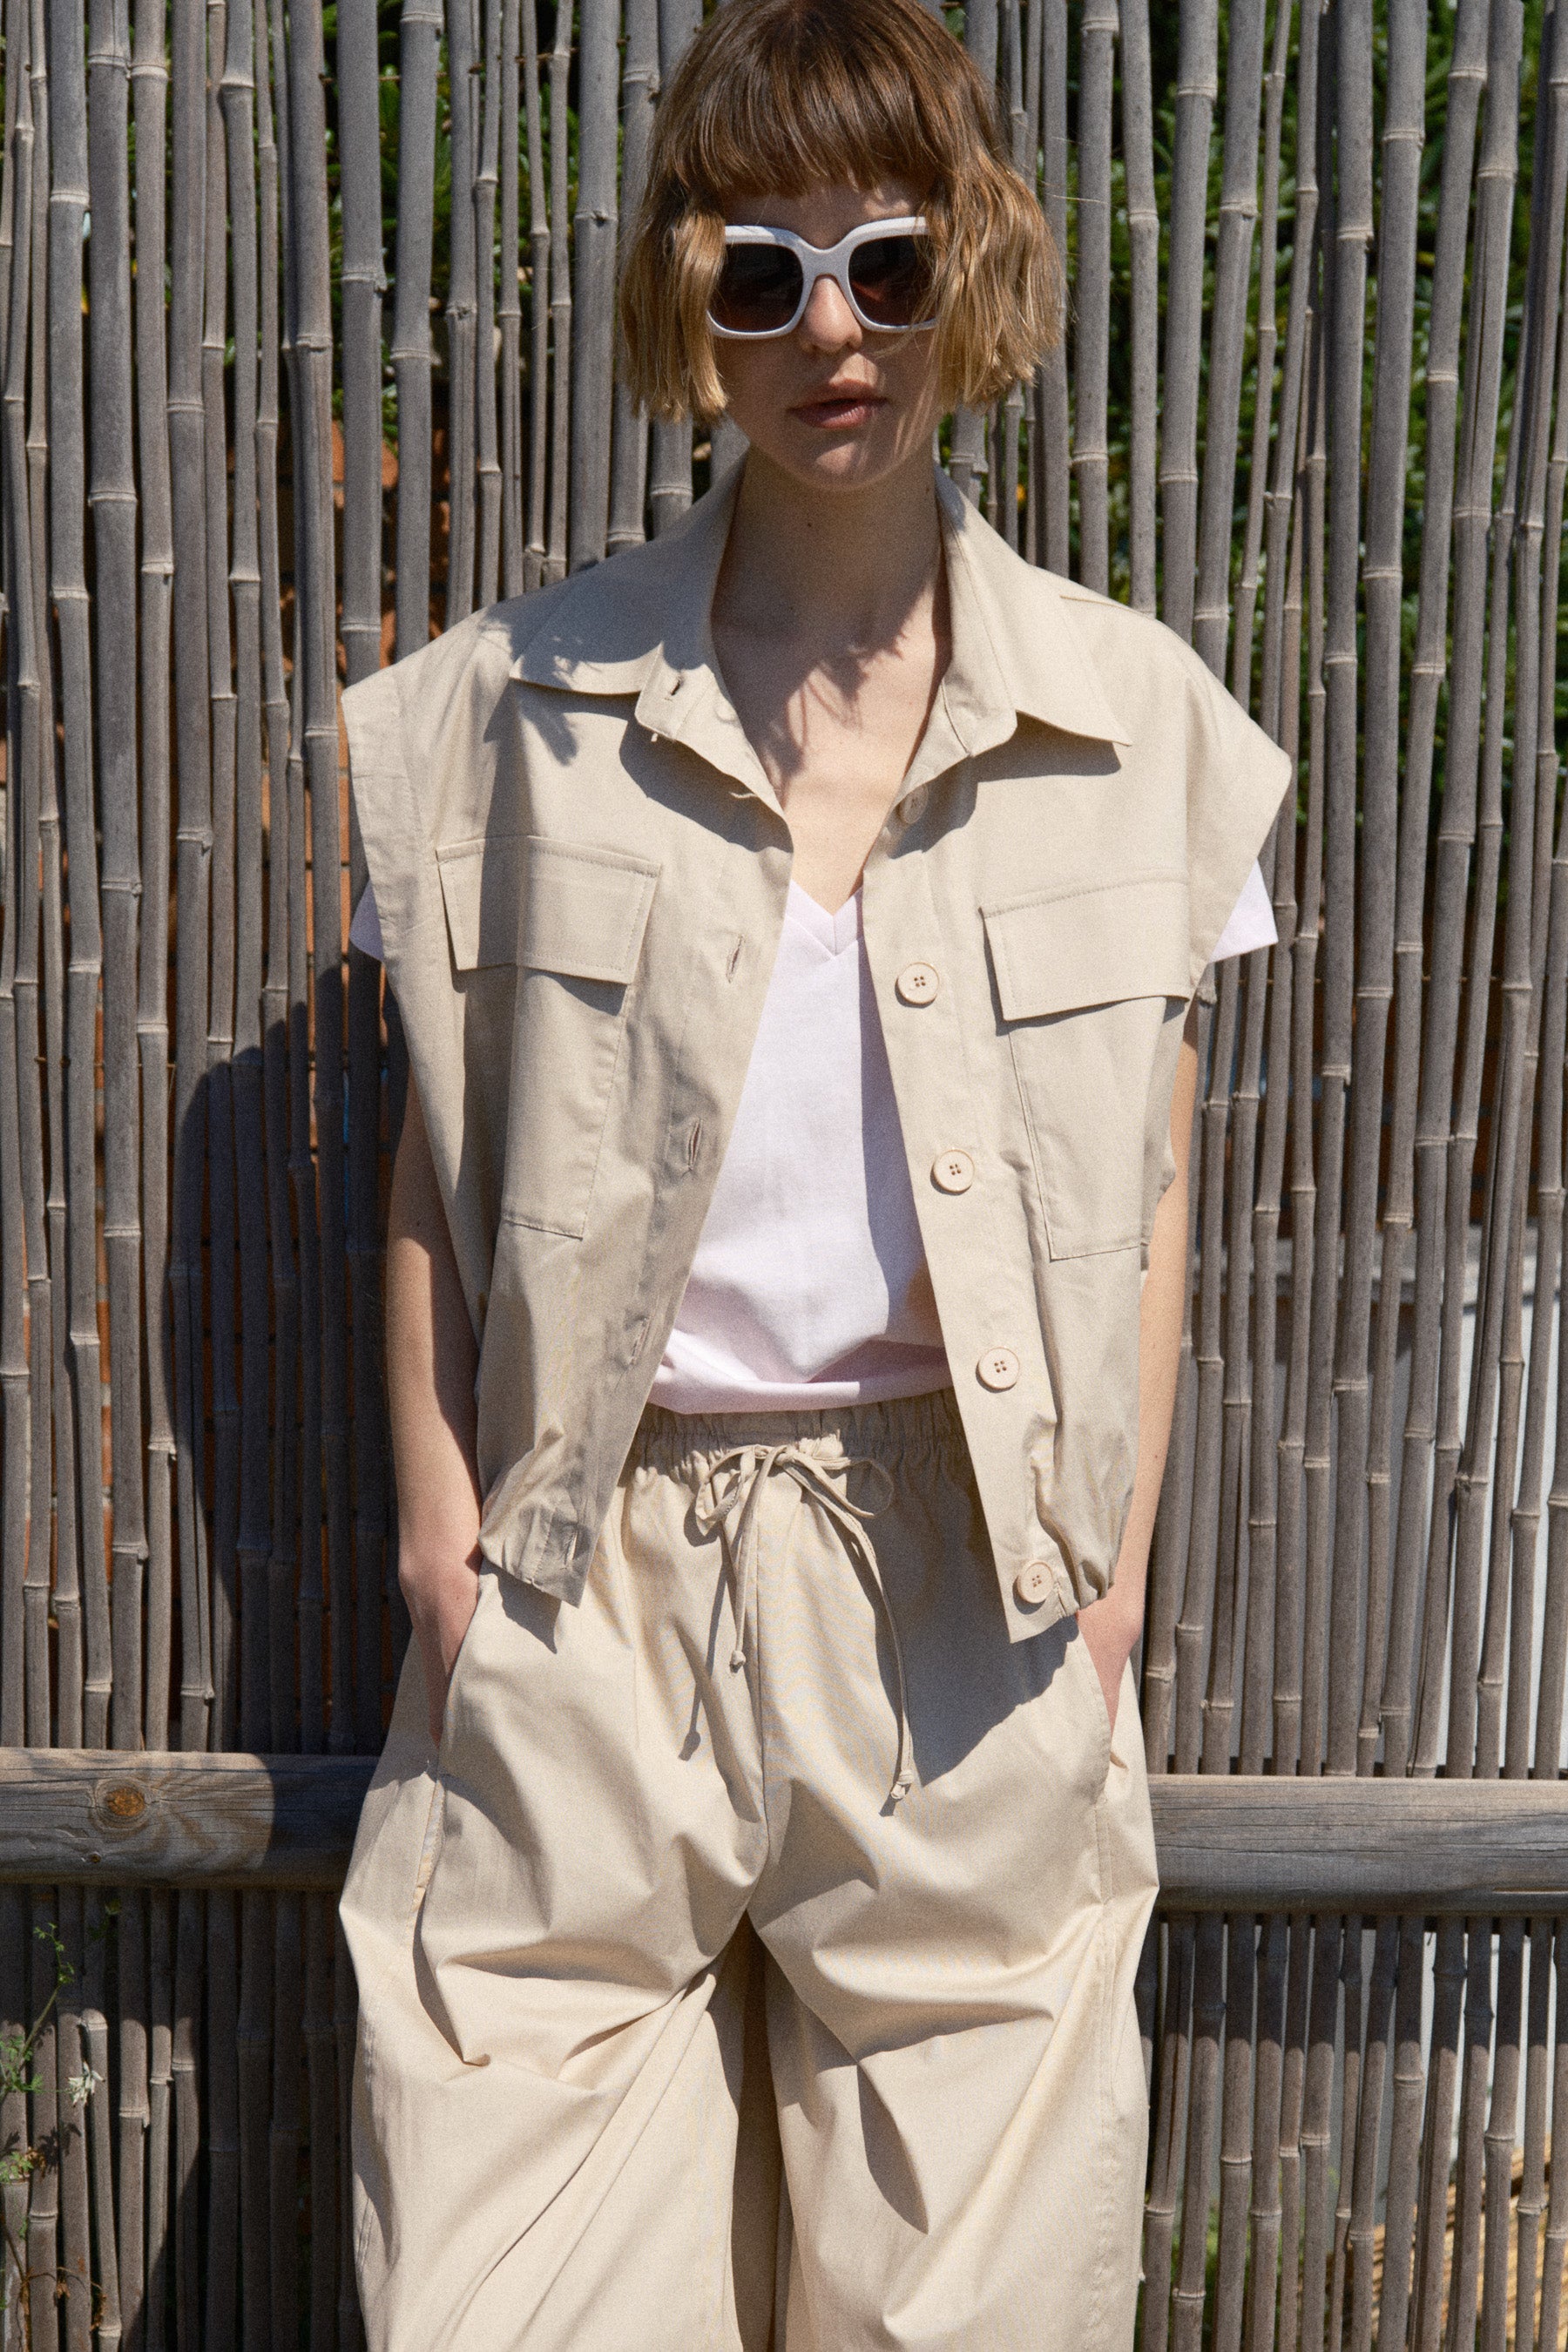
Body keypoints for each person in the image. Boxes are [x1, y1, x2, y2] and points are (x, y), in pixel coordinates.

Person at [338, 2, 1290, 2345]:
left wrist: (1107, 1568)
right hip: (585, 1581)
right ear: (692, 296)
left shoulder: (1143, 731)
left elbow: (1153, 1174)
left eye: (889, 261)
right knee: (498, 2297)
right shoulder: (500, 718)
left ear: (979, 266)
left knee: (963, 2311)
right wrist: (444, 1530)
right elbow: (438, 1153)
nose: (832, 331)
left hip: (970, 1596)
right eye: (762, 272)